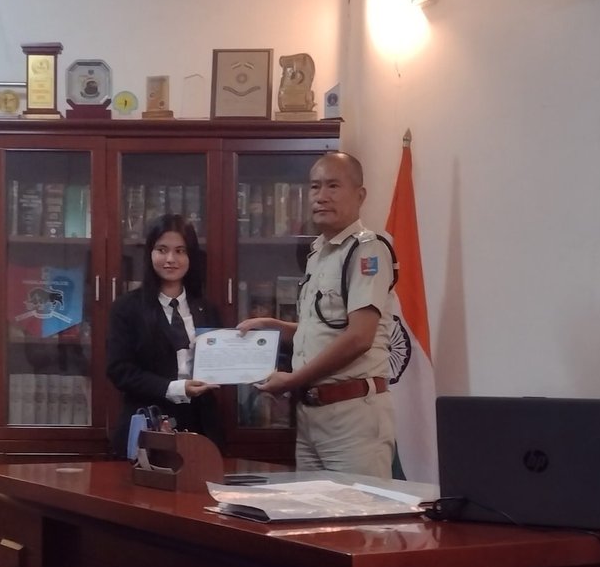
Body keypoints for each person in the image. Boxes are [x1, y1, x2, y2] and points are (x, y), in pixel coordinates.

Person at [237, 151, 396, 477]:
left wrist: (292, 380)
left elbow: (359, 337)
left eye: (333, 186)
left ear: (360, 195)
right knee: (312, 508)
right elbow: (322, 330)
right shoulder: (318, 253)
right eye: (314, 186)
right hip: (310, 416)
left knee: (356, 509)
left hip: (351, 417)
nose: (321, 196)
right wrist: (273, 325)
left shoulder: (367, 249)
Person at [106, 214, 223, 457]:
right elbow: (120, 371)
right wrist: (176, 388)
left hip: (202, 428)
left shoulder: (207, 309)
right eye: (162, 250)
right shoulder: (127, 308)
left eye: (180, 251)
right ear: (150, 253)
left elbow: (219, 362)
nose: (170, 259)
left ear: (191, 256)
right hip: (148, 425)